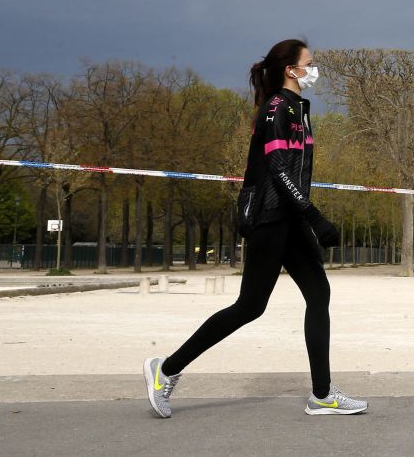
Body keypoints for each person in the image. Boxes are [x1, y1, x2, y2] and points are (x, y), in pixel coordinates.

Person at [143, 39, 367, 418]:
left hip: (290, 216)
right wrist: (314, 215)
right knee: (249, 307)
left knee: (318, 293)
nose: (315, 70)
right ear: (290, 70)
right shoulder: (277, 108)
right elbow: (279, 170)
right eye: (309, 63)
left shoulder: (297, 108)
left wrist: (305, 215)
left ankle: (323, 393)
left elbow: (291, 171)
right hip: (270, 218)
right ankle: (165, 370)